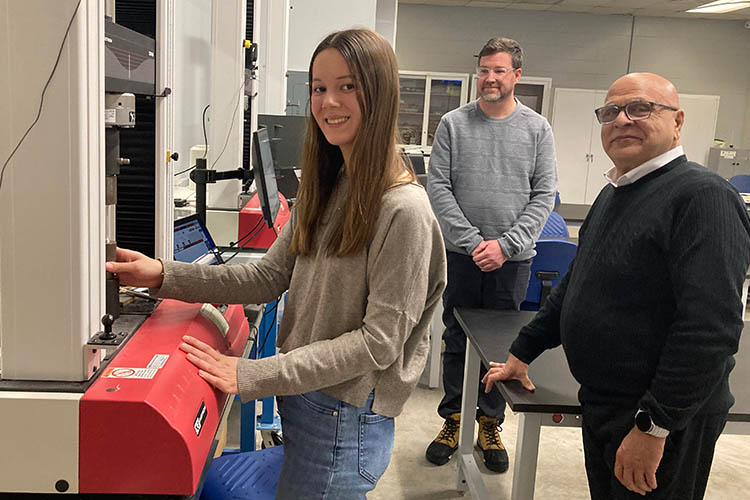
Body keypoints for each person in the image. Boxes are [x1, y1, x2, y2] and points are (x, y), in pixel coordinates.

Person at [106, 28, 446, 499]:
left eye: (348, 86)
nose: (329, 102)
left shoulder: (403, 210)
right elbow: (267, 276)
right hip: (309, 405)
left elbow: (377, 345)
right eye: (319, 88)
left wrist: (253, 375)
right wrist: (164, 275)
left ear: (381, 92)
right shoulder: (328, 186)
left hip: (343, 423)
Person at [483, 72, 750, 499]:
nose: (622, 119)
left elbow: (709, 329)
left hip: (660, 416)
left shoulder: (703, 198)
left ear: (677, 121)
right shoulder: (615, 195)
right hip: (606, 402)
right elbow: (576, 284)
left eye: (640, 108)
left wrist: (654, 425)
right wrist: (523, 352)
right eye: (610, 112)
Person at [425, 37, 557, 473]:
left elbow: (544, 197)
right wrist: (472, 241)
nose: (489, 78)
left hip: (513, 261)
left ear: (516, 75)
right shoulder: (452, 124)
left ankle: (489, 422)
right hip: (462, 257)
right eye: (484, 70)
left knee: (501, 346)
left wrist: (505, 246)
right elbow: (438, 188)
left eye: (499, 70)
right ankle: (454, 418)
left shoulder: (538, 129)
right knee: (456, 337)